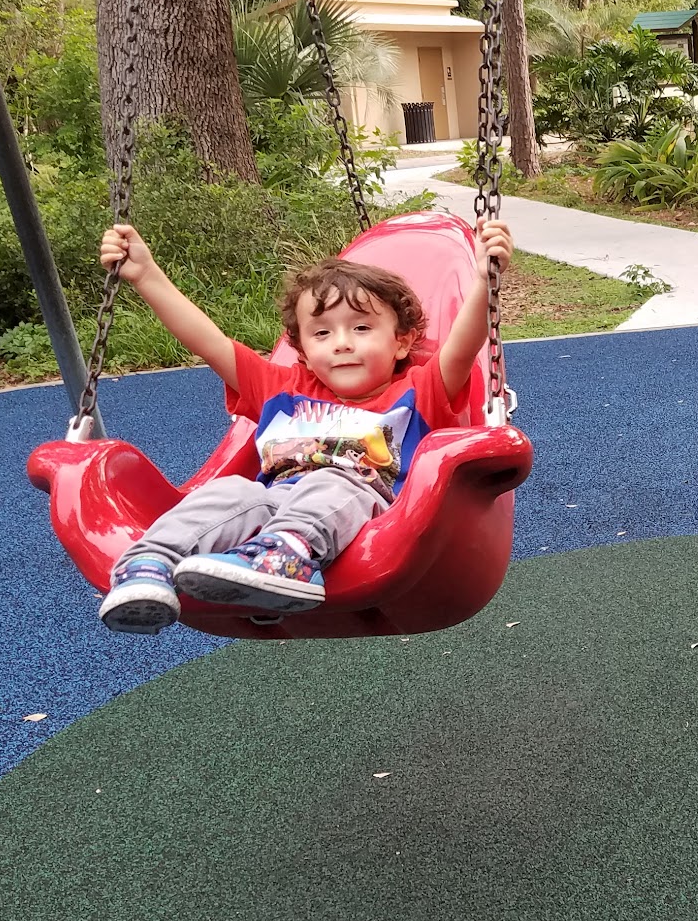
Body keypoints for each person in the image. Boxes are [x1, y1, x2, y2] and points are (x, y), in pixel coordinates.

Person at [93, 218, 514, 633]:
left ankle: (287, 556)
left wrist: (483, 281)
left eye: (362, 328)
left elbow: (463, 348)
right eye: (322, 333)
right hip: (276, 501)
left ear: (402, 342)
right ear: (302, 350)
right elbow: (208, 341)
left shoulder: (420, 390)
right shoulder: (282, 387)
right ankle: (149, 565)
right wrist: (146, 275)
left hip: (364, 506)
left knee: (331, 482)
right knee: (230, 492)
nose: (342, 342)